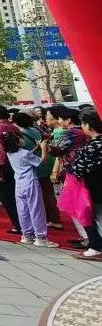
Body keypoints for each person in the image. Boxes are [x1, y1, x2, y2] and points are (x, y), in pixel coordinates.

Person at [2, 130, 58, 247]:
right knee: (36, 210)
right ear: (17, 142)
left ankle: (27, 235)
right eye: (20, 138)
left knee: (23, 210)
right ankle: (41, 237)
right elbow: (41, 162)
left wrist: (37, 147)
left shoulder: (10, 153)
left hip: (19, 184)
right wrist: (43, 149)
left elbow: (26, 156)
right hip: (31, 183)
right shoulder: (25, 153)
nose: (22, 139)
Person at [69, 110, 102, 259]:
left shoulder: (91, 147)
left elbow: (78, 169)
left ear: (88, 125)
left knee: (93, 218)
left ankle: (96, 247)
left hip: (95, 188)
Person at [22, 109, 63, 229]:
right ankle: (53, 218)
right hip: (45, 164)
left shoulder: (25, 132)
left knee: (44, 194)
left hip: (38, 165)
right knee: (48, 193)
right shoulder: (37, 129)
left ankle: (53, 219)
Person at [0, 105, 22, 233]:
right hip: (14, 165)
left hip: (2, 167)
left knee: (7, 198)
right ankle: (23, 223)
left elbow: (0, 149)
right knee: (15, 196)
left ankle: (18, 225)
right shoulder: (13, 127)